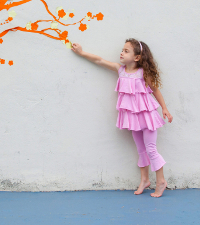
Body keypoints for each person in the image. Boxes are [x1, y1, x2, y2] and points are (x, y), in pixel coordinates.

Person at [71, 38, 173, 197]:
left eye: (126, 51)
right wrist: (82, 53)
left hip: (148, 117)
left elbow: (155, 90)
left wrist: (165, 108)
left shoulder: (143, 73)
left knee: (151, 149)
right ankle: (144, 180)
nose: (121, 52)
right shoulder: (120, 70)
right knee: (141, 150)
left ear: (137, 57)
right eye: (122, 50)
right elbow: (99, 60)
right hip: (133, 118)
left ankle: (161, 181)